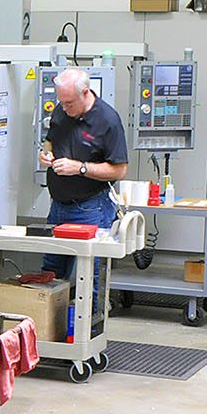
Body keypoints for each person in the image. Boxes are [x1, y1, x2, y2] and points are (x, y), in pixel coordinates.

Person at [39, 68, 128, 314]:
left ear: (85, 93)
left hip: (91, 207)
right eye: (61, 102)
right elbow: (50, 140)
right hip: (58, 205)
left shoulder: (108, 121)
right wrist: (46, 154)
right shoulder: (61, 110)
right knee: (51, 270)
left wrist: (80, 168)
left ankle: (91, 329)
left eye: (69, 103)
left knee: (91, 274)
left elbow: (119, 170)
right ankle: (50, 329)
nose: (64, 108)